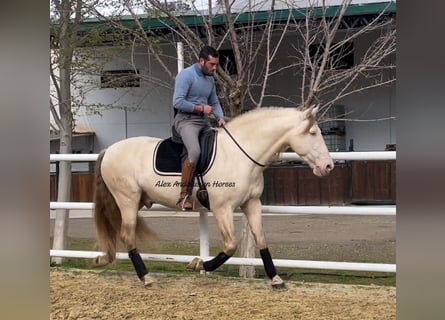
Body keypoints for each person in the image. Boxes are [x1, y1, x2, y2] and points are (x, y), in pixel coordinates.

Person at [173, 45, 226, 210]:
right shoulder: (185, 76)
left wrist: (221, 118)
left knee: (221, 146)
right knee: (194, 152)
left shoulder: (210, 79)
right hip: (185, 120)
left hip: (203, 122)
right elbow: (177, 102)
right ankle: (184, 197)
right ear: (201, 61)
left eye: (216, 65)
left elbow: (215, 102)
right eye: (212, 65)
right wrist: (201, 108)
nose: (215, 68)